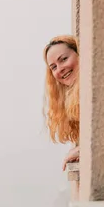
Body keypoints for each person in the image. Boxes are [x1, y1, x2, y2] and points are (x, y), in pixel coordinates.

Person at [43, 35, 80, 171]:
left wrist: (85, 149)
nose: (60, 69)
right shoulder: (74, 101)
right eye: (53, 67)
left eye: (64, 59)